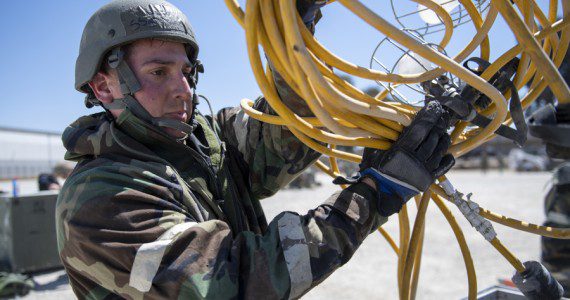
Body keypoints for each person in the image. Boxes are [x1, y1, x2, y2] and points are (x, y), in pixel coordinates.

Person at [56, 0, 454, 298]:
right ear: (104, 87)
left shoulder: (206, 140)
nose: (183, 90)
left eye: (187, 72)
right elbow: (238, 281)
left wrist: (294, 37)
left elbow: (283, 137)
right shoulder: (100, 196)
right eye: (159, 72)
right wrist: (376, 193)